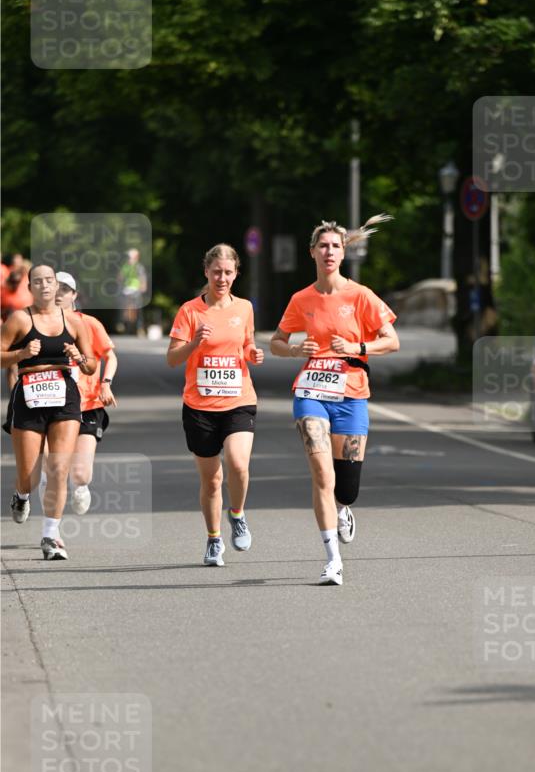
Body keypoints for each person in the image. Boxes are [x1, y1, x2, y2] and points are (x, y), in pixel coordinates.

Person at [269, 214, 399, 585]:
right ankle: (332, 560)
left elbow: (392, 340)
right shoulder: (302, 299)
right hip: (311, 392)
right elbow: (276, 342)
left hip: (352, 394)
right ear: (312, 252)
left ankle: (344, 510)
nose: (329, 251)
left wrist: (358, 346)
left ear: (344, 253)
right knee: (321, 475)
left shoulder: (360, 296)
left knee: (347, 488)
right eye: (322, 246)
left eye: (335, 246)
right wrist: (295, 351)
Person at [166, 243, 264, 567]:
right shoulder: (190, 311)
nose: (222, 278)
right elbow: (172, 358)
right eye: (216, 271)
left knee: (238, 464)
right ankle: (213, 539)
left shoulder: (245, 308)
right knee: (211, 480)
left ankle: (237, 514)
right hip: (199, 406)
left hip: (238, 400)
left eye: (228, 272)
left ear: (236, 273)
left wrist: (253, 354)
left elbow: (247, 344)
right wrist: (195, 343)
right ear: (206, 272)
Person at [0, 264, 95, 559]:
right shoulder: (19, 319)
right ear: (30, 287)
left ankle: (51, 536)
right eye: (37, 281)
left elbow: (91, 364)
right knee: (29, 474)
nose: (44, 286)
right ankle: (22, 494)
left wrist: (80, 358)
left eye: (49, 281)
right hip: (29, 395)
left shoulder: (74, 322)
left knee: (59, 468)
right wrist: (21, 354)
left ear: (57, 286)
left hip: (64, 394)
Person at [35, 271, 117, 514]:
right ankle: (51, 527)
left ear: (74, 295)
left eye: (65, 290)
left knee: (80, 474)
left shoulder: (89, 324)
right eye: (55, 288)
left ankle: (80, 487)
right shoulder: (37, 323)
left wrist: (106, 383)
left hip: (87, 405)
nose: (59, 294)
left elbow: (109, 356)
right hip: (50, 404)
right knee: (49, 469)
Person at [118, 248, 147, 335]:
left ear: (136, 258)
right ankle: (122, 324)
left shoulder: (139, 267)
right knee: (123, 308)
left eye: (130, 257)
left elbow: (142, 278)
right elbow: (120, 277)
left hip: (135, 290)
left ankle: (139, 327)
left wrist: (143, 286)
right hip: (126, 290)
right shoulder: (125, 266)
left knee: (138, 309)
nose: (128, 258)